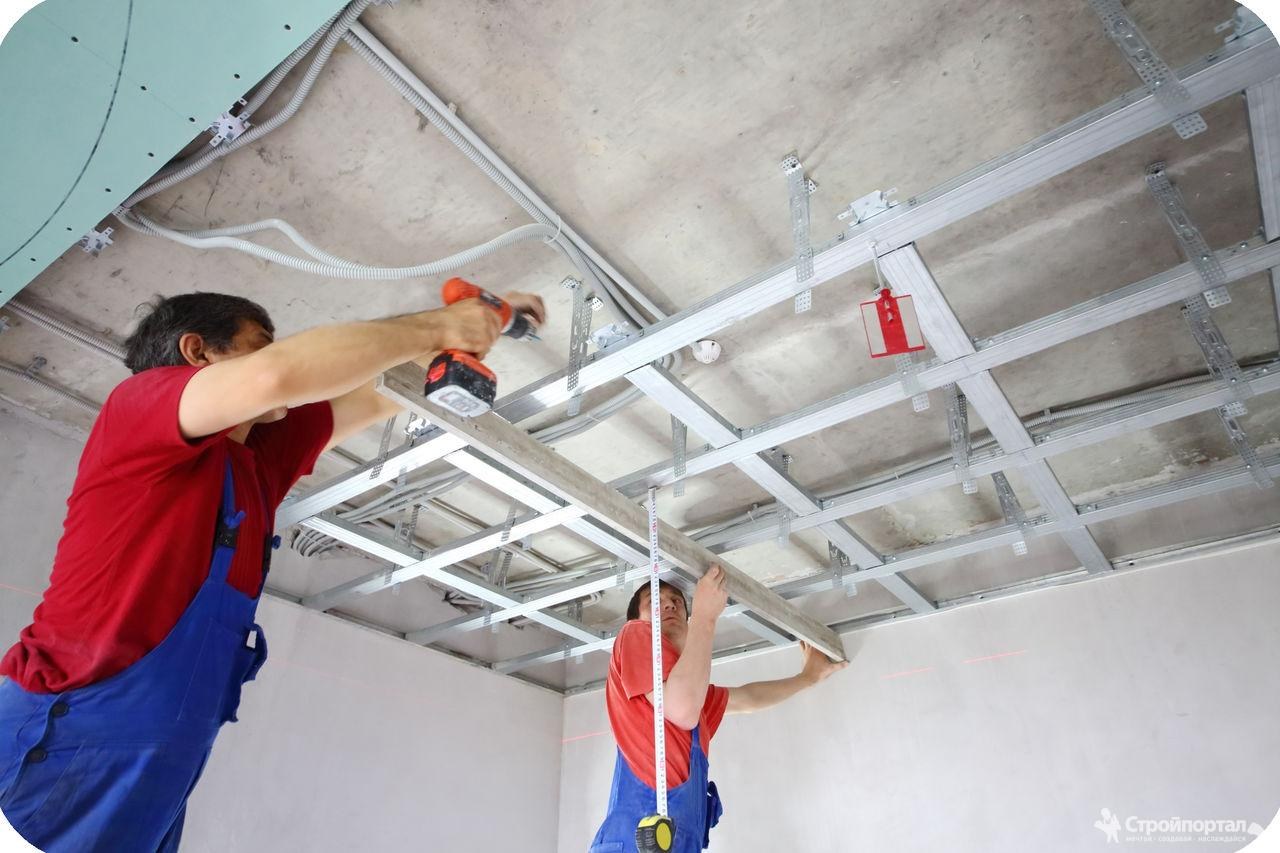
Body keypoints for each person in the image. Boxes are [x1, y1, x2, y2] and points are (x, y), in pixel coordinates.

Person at [0, 287, 544, 852]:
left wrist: (482, 321)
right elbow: (275, 376)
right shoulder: (137, 407)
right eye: (258, 344)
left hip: (162, 769)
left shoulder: (257, 458)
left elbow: (378, 388)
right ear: (197, 352)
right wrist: (441, 325)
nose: (271, 356)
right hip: (63, 737)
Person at [590, 566, 848, 852]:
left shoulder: (693, 694)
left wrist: (808, 678)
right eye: (655, 601)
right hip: (636, 842)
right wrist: (705, 617)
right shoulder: (634, 633)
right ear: (638, 619)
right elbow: (682, 709)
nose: (670, 604)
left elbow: (747, 698)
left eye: (677, 601)